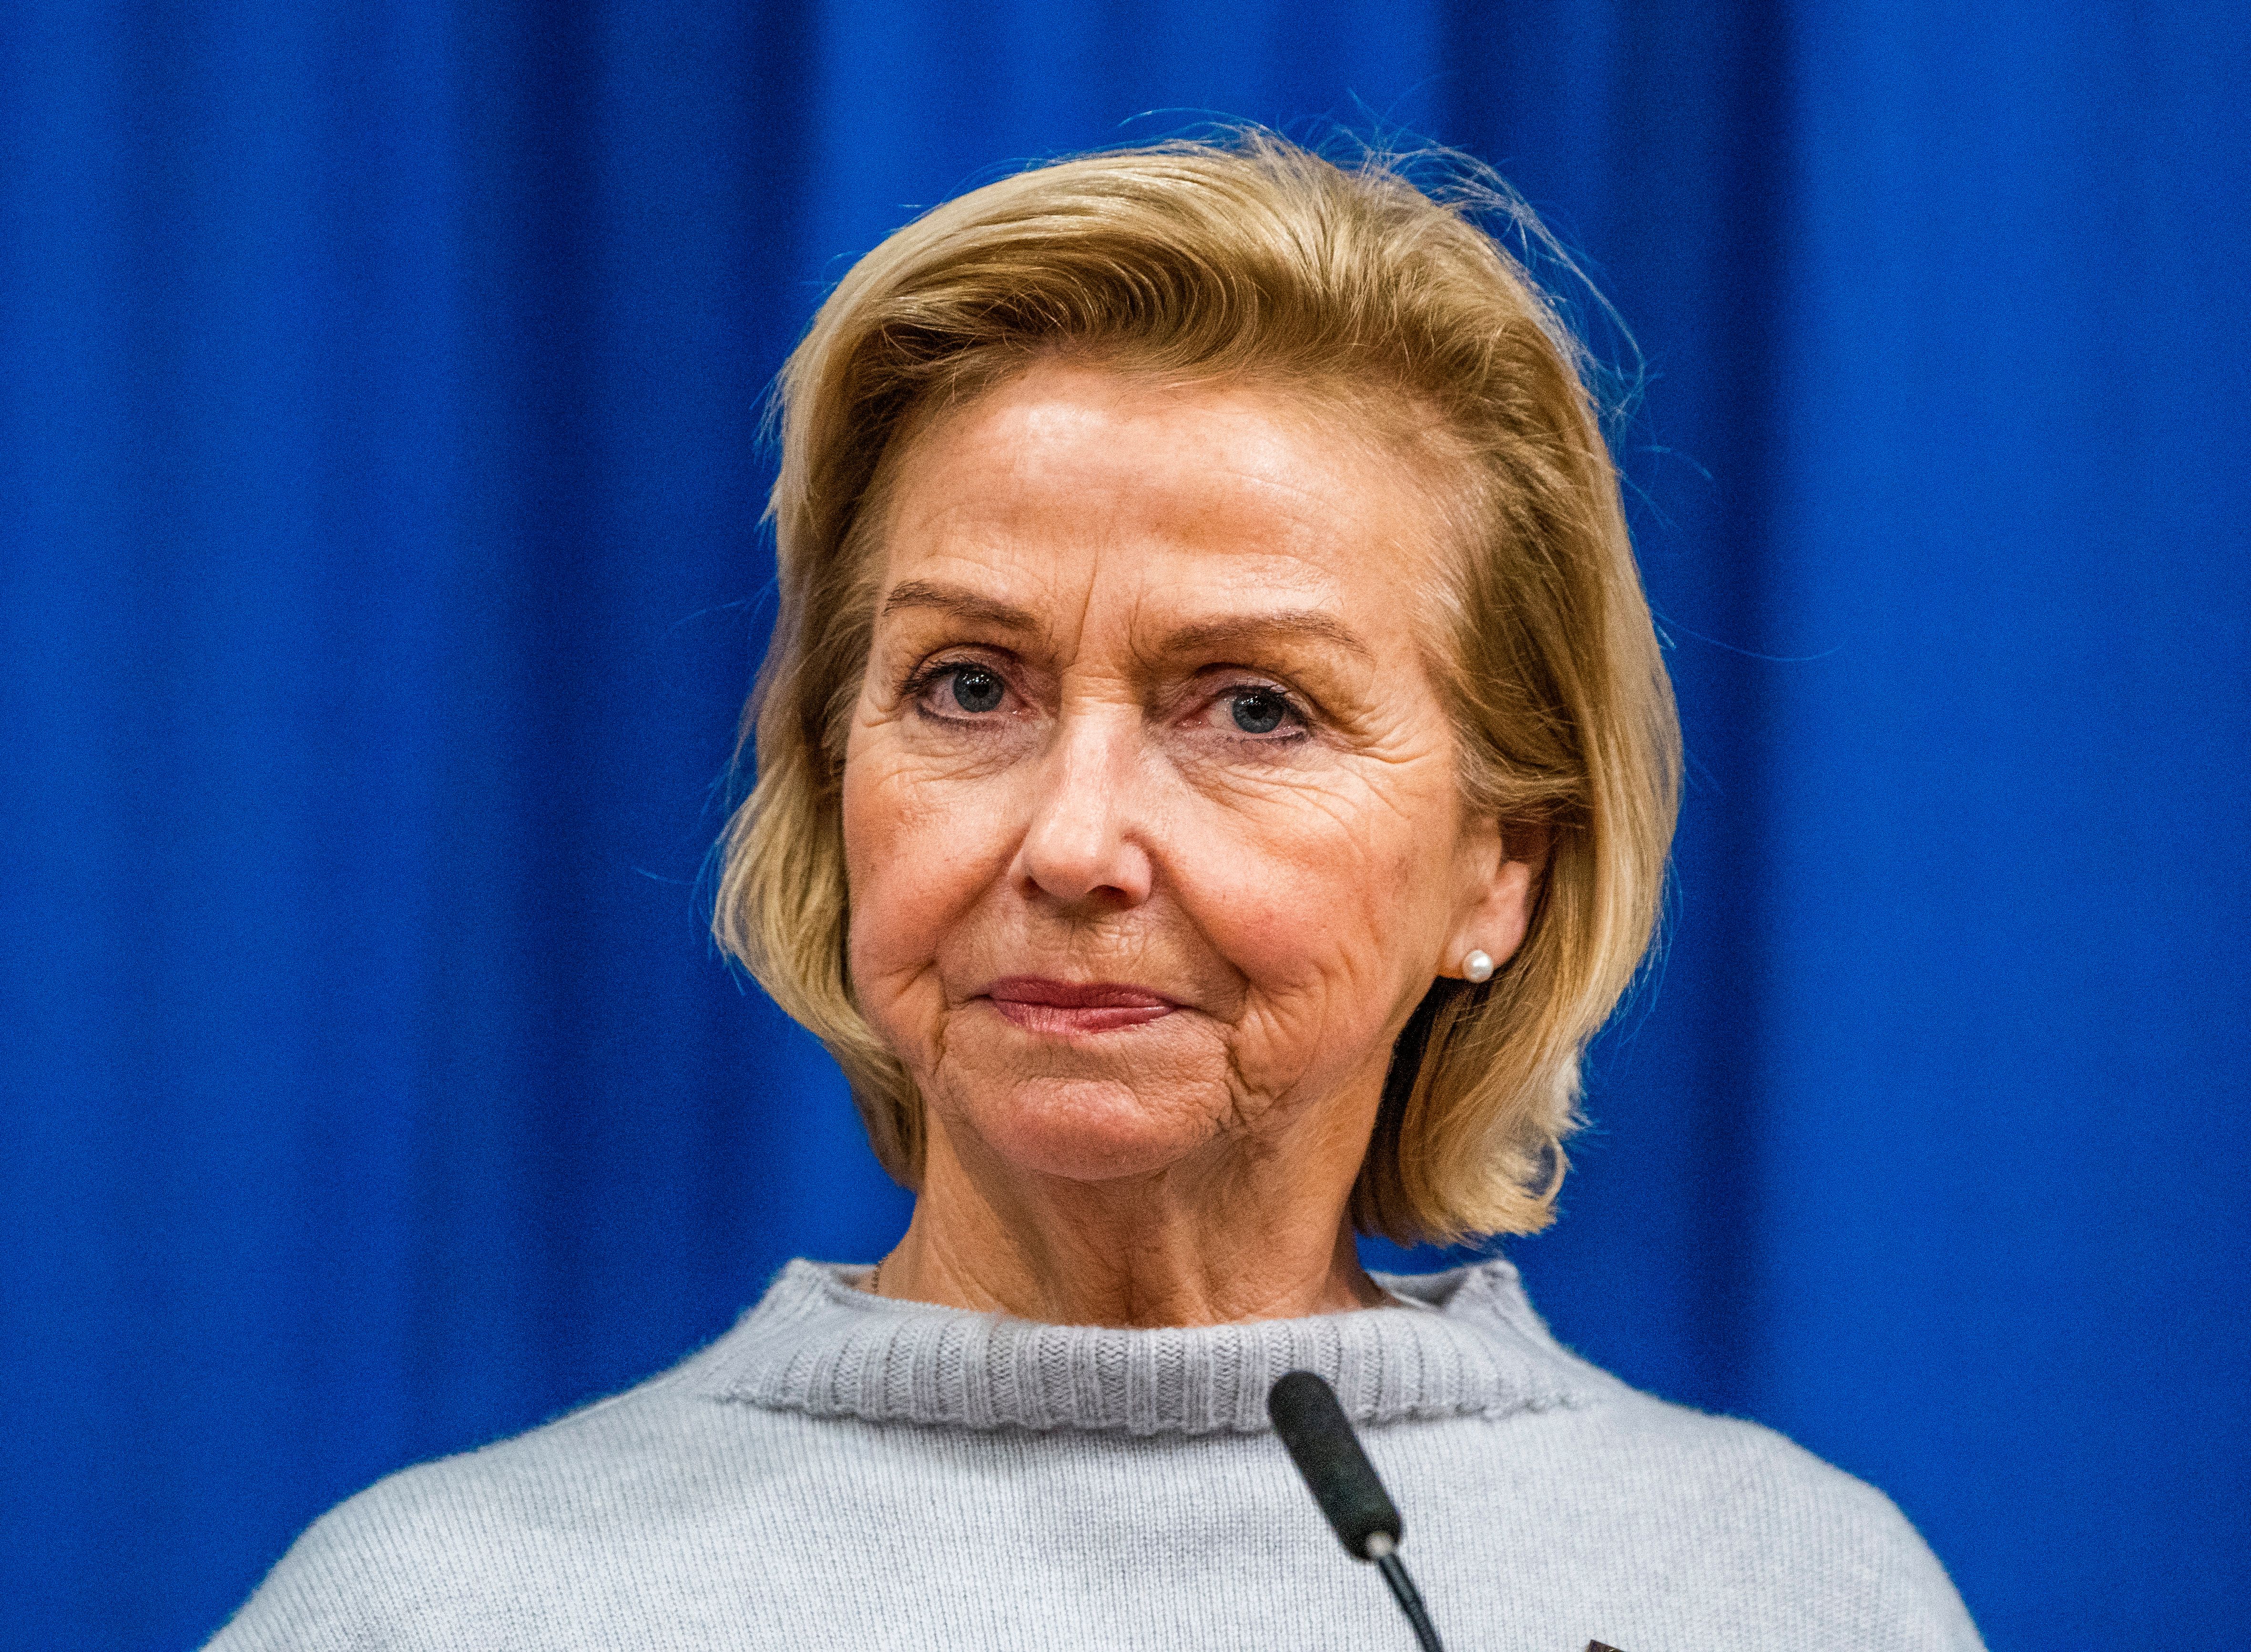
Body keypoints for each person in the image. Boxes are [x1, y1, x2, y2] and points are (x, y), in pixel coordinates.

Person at [211, 132, 1983, 1652]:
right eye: (969, 686)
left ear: (1499, 866)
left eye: (1255, 707)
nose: (1071, 843)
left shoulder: (1789, 1590)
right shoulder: (445, 1607)